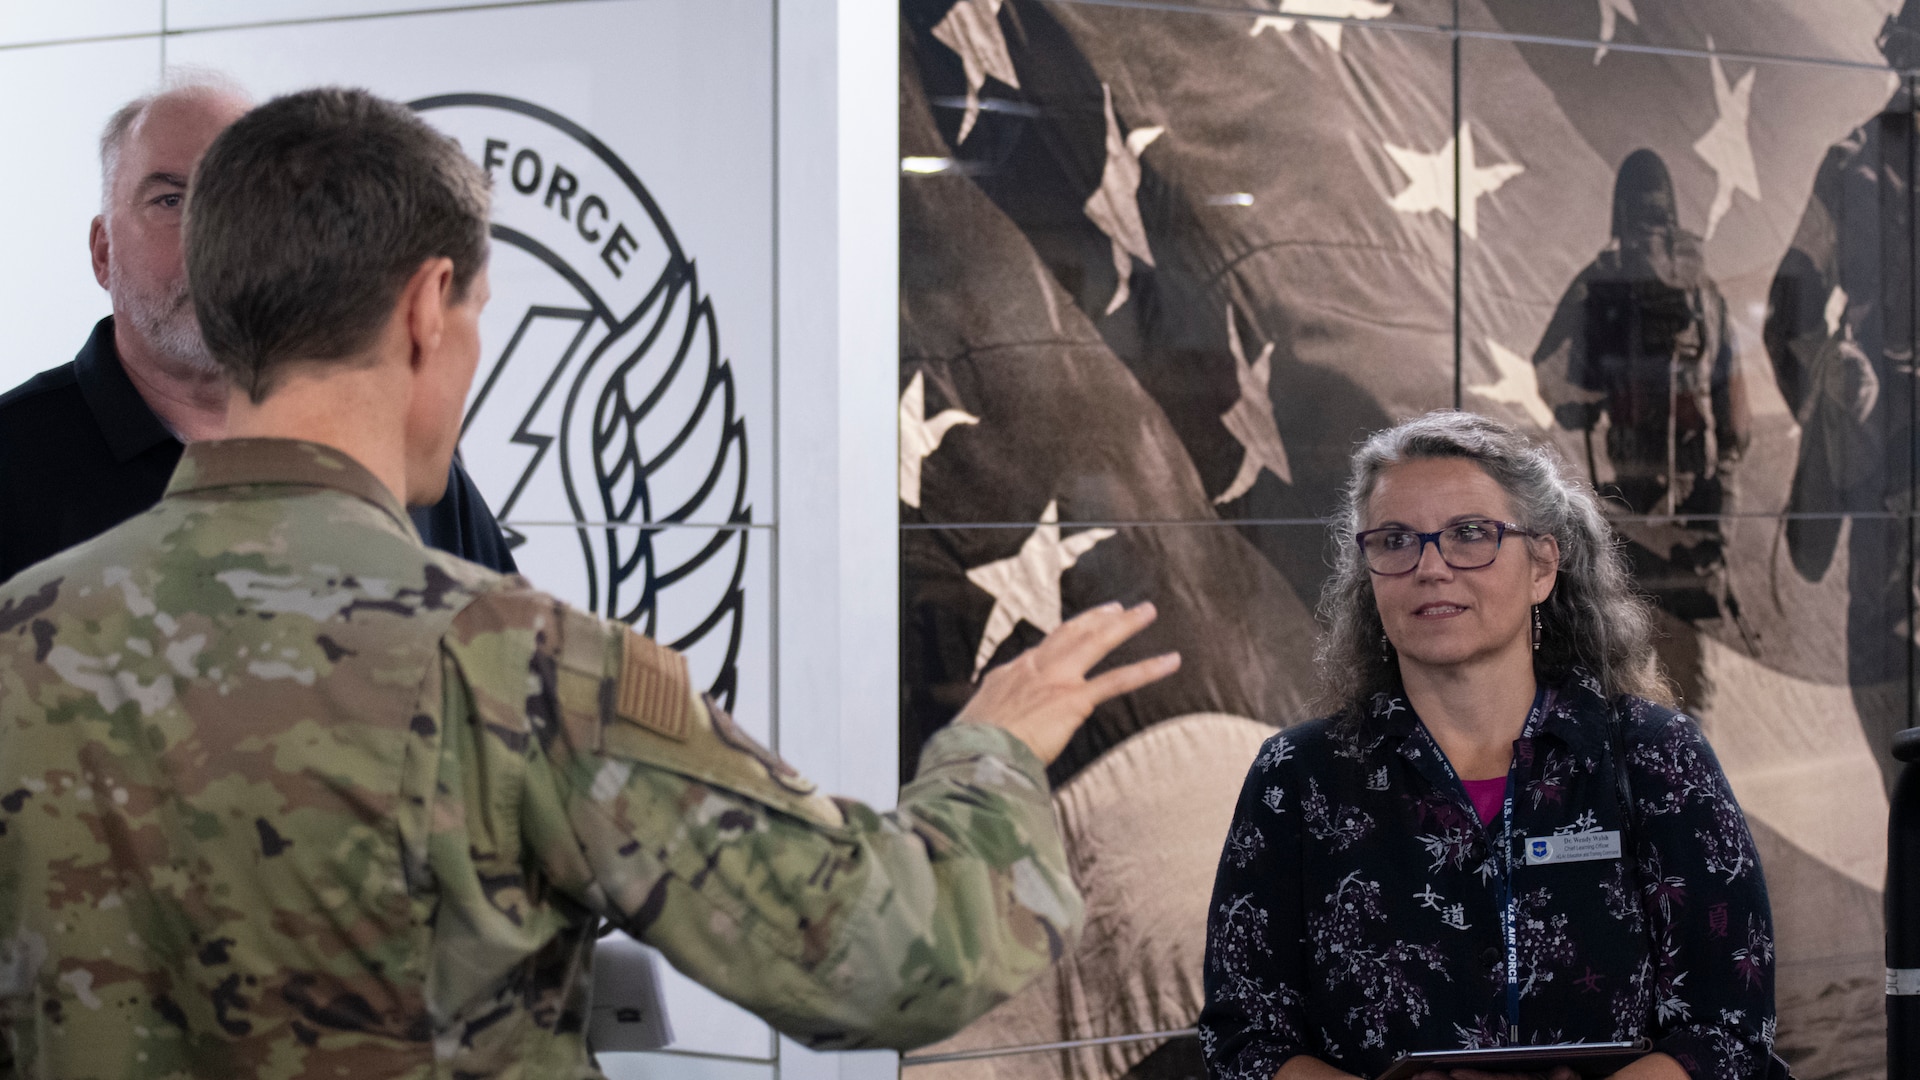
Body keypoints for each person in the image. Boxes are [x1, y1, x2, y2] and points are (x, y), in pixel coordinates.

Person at [0, 87, 1181, 1077]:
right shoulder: (524, 668)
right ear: (426, 309)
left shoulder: (23, 636)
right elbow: (887, 956)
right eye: (473, 316)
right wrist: (993, 759)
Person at [1199, 411, 1778, 1080]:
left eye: (1470, 534)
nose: (1431, 567)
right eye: (1395, 540)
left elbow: (1728, 1028)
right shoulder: (1296, 779)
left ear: (1541, 566)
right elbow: (1245, 1040)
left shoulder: (1654, 756)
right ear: (1370, 574)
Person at [0, 73, 515, 584]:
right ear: (103, 251)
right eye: (171, 202)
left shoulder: (406, 468)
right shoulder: (11, 459)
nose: (210, 242)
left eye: (238, 207)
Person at [1532, 149, 1750, 634]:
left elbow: (1552, 377)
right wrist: (1720, 521)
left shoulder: (1600, 281)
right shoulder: (1701, 290)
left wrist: (1582, 406)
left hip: (1626, 502)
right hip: (1684, 507)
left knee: (1624, 667)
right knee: (1684, 680)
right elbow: (1735, 422)